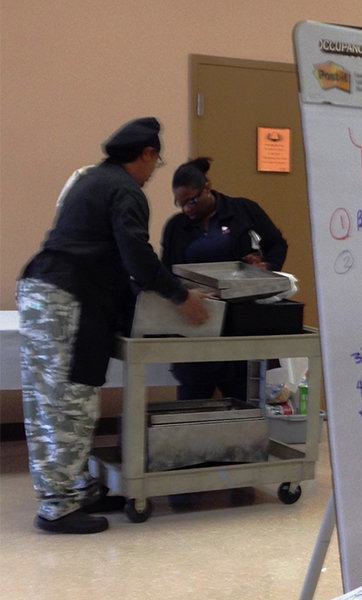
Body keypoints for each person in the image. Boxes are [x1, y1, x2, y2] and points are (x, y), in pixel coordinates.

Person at [17, 117, 209, 534]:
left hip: (44, 289)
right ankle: (59, 507)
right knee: (69, 401)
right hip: (67, 296)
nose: (153, 172)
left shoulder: (89, 178)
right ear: (146, 154)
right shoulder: (125, 189)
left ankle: (73, 489)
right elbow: (136, 256)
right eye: (156, 163)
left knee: (48, 399)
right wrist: (181, 297)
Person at [161, 157, 288, 401]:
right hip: (197, 322)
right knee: (193, 398)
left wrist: (266, 268)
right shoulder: (176, 227)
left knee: (242, 396)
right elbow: (167, 271)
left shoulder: (244, 210)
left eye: (192, 201)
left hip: (241, 322)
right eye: (181, 204)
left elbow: (277, 244)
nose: (187, 209)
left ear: (207, 188)